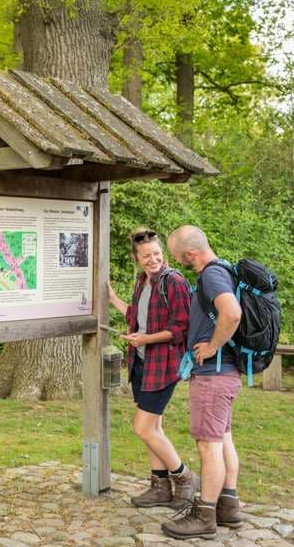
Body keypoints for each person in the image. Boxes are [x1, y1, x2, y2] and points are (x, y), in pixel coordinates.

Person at [108, 228, 199, 510]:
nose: (153, 259)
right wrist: (111, 298)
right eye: (146, 255)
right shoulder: (142, 281)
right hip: (142, 363)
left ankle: (184, 477)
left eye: (157, 253)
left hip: (165, 365)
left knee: (143, 427)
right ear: (137, 258)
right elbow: (135, 316)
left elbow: (179, 328)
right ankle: (159, 486)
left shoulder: (174, 281)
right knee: (154, 427)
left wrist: (146, 338)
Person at [162, 225, 243, 540]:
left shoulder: (211, 276)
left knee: (208, 446)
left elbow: (232, 314)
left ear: (190, 253)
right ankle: (228, 505)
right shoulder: (224, 271)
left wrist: (211, 347)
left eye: (177, 256)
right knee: (222, 439)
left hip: (214, 375)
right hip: (225, 373)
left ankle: (205, 514)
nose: (176, 260)